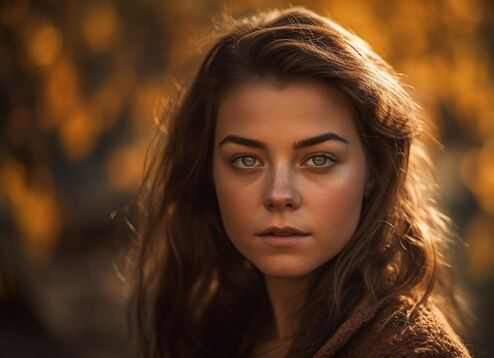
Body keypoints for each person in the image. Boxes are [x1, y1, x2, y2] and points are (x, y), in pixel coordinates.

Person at [128, 6, 471, 357]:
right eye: (246, 160)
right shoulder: (212, 335)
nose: (279, 195)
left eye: (318, 160)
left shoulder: (413, 351)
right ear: (207, 172)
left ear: (374, 172)